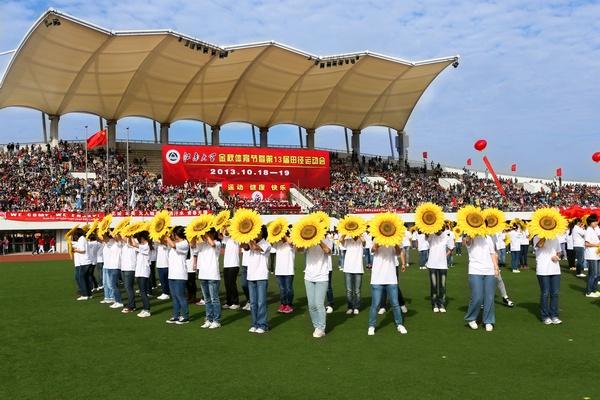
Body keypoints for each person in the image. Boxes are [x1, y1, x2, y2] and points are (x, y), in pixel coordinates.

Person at [368, 242, 408, 336]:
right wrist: (379, 242)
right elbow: (372, 250)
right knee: (375, 304)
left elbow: (398, 252)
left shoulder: (395, 240)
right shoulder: (376, 238)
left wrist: (395, 244)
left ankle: (399, 324)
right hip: (377, 278)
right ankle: (371, 325)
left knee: (395, 303)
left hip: (391, 277)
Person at [464, 232, 499, 332]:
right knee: (477, 296)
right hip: (475, 270)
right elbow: (467, 242)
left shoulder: (488, 237)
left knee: (489, 297)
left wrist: (496, 267)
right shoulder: (471, 236)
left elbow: (492, 253)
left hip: (489, 270)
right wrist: (470, 235)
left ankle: (488, 321)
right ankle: (471, 318)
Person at [243, 225, 271, 334]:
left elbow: (255, 248)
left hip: (261, 276)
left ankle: (263, 324)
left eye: (258, 231)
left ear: (263, 233)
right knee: (253, 302)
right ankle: (254, 324)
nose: (256, 233)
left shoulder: (266, 244)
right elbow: (243, 246)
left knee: (261, 302)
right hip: (251, 276)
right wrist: (244, 235)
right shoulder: (252, 242)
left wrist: (249, 237)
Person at [304, 237, 331, 338]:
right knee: (311, 304)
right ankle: (316, 326)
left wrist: (319, 241)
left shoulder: (328, 240)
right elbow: (300, 250)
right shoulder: (308, 240)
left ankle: (322, 328)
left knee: (319, 304)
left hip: (322, 276)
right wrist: (304, 241)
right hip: (308, 276)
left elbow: (328, 251)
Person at [533, 235, 562, 324]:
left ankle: (554, 315)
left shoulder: (555, 237)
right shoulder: (537, 237)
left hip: (555, 269)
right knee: (545, 293)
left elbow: (558, 251)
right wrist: (545, 235)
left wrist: (557, 257)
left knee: (555, 293)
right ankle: (545, 316)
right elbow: (539, 245)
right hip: (543, 270)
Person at [197, 229, 222, 329]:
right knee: (207, 299)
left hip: (212, 275)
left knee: (214, 299)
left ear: (212, 234)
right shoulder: (202, 244)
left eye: (207, 233)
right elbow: (193, 246)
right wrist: (195, 235)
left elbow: (212, 244)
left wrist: (206, 234)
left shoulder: (217, 243)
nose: (204, 235)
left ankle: (217, 320)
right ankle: (209, 319)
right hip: (203, 274)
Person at [165, 226, 190, 324]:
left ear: (177, 234)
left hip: (180, 274)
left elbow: (173, 245)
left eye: (174, 234)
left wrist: (166, 236)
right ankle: (176, 315)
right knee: (174, 296)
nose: (172, 235)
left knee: (180, 296)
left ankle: (185, 316)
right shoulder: (176, 243)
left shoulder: (184, 243)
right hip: (172, 274)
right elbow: (169, 243)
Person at [426, 230, 453, 312]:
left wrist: (445, 256)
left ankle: (441, 304)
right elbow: (426, 235)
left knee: (442, 286)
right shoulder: (431, 235)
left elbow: (451, 248)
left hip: (443, 265)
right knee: (433, 285)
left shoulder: (447, 236)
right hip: (432, 264)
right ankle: (434, 303)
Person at [130, 231, 152, 318]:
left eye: (140, 238)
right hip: (139, 271)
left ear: (143, 238)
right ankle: (145, 309)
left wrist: (130, 235)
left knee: (143, 292)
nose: (139, 240)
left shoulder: (146, 246)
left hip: (144, 271)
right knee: (142, 291)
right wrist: (129, 237)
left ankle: (147, 310)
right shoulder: (143, 246)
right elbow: (132, 245)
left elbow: (135, 244)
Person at [273, 227, 295, 313]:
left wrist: (284, 235)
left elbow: (291, 242)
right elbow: (272, 248)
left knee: (288, 288)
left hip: (288, 270)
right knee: (282, 289)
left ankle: (289, 304)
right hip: (279, 270)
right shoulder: (277, 243)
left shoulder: (291, 242)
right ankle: (283, 304)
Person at [341, 233, 364, 315]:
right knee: (349, 290)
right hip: (348, 268)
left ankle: (356, 307)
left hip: (358, 268)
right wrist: (345, 232)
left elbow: (364, 243)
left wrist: (360, 234)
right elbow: (341, 241)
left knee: (357, 290)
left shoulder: (361, 240)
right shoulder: (348, 240)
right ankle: (350, 307)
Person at [102, 231, 123, 308]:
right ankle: (116, 300)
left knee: (113, 285)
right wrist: (103, 232)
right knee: (113, 284)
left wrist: (111, 232)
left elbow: (117, 239)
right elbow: (104, 239)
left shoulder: (119, 243)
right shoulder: (111, 243)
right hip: (110, 266)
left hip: (116, 266)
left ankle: (119, 301)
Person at [221, 227, 241, 310]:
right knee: (227, 284)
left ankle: (236, 302)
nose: (229, 230)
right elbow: (224, 235)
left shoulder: (237, 238)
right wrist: (224, 228)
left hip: (234, 264)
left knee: (232, 283)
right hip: (226, 264)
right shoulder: (227, 239)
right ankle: (229, 302)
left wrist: (232, 231)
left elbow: (238, 240)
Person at [119, 234, 138, 313]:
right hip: (124, 268)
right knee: (127, 287)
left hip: (130, 268)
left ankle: (132, 306)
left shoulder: (134, 241)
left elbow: (131, 244)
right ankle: (131, 304)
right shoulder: (124, 244)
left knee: (129, 288)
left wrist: (130, 236)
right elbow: (119, 238)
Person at [72, 228, 92, 300]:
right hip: (86, 261)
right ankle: (89, 294)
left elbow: (83, 250)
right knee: (85, 278)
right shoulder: (83, 239)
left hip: (84, 261)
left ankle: (85, 294)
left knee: (81, 278)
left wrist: (75, 250)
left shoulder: (81, 239)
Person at [583, 214, 600, 298]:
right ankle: (589, 292)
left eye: (597, 220)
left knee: (597, 273)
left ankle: (594, 289)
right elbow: (586, 244)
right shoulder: (588, 230)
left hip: (596, 254)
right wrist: (596, 245)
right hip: (591, 255)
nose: (597, 222)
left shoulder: (593, 230)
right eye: (595, 221)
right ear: (590, 222)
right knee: (593, 274)